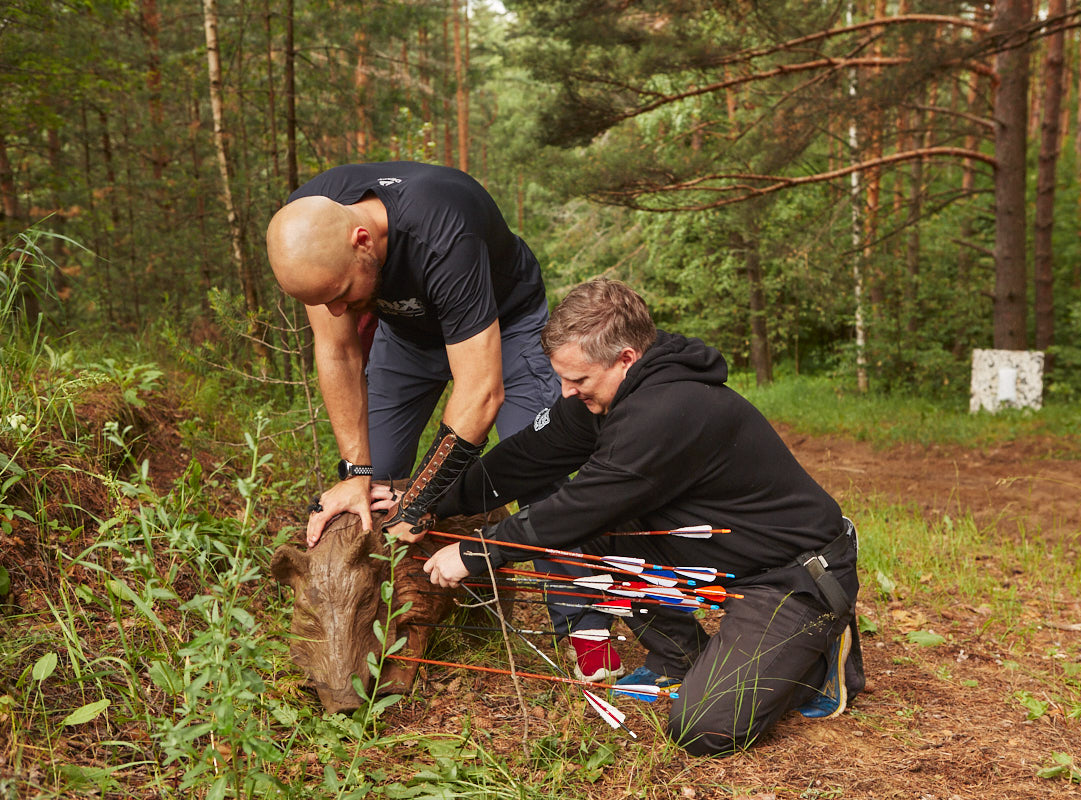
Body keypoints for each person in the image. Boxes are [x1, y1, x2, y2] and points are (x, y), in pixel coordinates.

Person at [415, 278, 865, 756]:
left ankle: (818, 664)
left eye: (578, 380)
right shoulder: (605, 396)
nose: (566, 394)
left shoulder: (666, 410)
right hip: (718, 552)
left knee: (702, 728)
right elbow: (525, 457)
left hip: (791, 575)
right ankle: (680, 652)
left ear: (626, 358)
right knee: (590, 531)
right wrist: (428, 500)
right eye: (562, 379)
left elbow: (579, 505)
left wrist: (477, 550)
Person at [265, 161, 621, 681]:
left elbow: (480, 392)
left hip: (504, 321)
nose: (338, 311)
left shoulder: (442, 229)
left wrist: (424, 501)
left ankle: (584, 624)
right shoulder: (312, 227)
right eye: (324, 301)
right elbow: (338, 353)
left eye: (341, 293)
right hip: (409, 336)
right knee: (372, 494)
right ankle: (382, 628)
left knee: (536, 460)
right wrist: (355, 474)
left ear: (362, 240)